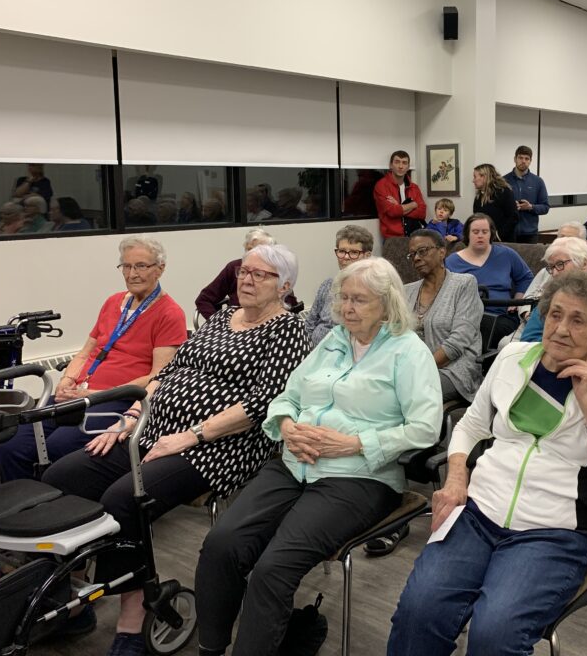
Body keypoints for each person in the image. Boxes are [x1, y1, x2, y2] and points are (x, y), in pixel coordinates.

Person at [43, 244, 309, 656]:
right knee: (63, 476)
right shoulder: (222, 316)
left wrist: (191, 436)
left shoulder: (288, 330)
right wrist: (132, 416)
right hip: (153, 431)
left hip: (218, 447)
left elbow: (264, 403)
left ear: (285, 286)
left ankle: (132, 620)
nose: (246, 280)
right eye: (243, 271)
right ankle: (76, 597)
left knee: (123, 499)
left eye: (260, 274)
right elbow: (169, 371)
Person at [388, 272, 587, 656]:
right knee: (418, 613)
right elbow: (471, 426)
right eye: (555, 314)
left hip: (554, 533)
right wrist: (457, 477)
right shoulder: (512, 358)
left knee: (495, 634)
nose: (561, 329)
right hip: (477, 516)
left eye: (577, 320)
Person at [194, 257, 441, 656]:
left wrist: (355, 443)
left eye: (358, 300)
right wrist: (287, 426)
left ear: (387, 303)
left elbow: (426, 427)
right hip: (295, 463)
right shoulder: (334, 341)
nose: (346, 308)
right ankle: (211, 647)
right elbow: (287, 397)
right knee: (222, 544)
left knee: (274, 568)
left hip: (358, 476)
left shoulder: (408, 351)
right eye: (343, 298)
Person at [0, 235, 188, 481]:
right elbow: (86, 352)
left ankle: (54, 501)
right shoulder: (112, 302)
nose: (132, 274)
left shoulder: (170, 313)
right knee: (12, 444)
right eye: (126, 266)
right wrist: (67, 381)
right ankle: (20, 501)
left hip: (118, 400)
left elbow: (158, 376)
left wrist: (95, 393)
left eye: (141, 266)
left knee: (58, 447)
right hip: (79, 395)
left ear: (160, 269)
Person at [405, 230, 483, 404]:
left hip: (454, 369)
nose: (416, 258)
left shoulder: (464, 284)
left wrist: (420, 369)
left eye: (422, 251)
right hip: (412, 368)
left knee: (409, 392)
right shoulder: (407, 291)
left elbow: (458, 341)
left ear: (442, 252)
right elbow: (395, 335)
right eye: (412, 254)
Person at [520, 237, 587, 360]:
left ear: (584, 263)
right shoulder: (552, 295)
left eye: (560, 264)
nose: (554, 273)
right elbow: (528, 337)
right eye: (551, 267)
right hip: (546, 362)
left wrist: (555, 345)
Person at [445, 213, 534, 346]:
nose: (480, 235)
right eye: (475, 232)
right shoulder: (451, 261)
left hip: (501, 315)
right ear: (467, 234)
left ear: (491, 234)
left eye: (485, 232)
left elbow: (526, 277)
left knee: (491, 329)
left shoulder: (506, 254)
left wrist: (518, 299)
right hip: (465, 315)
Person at [304, 225, 373, 347]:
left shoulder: (372, 290)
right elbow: (309, 324)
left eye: (353, 252)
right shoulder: (327, 285)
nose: (345, 257)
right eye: (341, 251)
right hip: (313, 351)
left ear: (367, 256)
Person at [196, 228, 279, 321]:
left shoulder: (277, 271)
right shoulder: (234, 267)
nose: (252, 254)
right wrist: (219, 323)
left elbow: (288, 302)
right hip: (235, 324)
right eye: (249, 249)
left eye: (259, 250)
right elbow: (204, 299)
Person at [374, 150, 427, 239]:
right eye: (397, 162)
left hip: (415, 237)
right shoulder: (382, 185)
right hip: (393, 238)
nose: (401, 166)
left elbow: (422, 213)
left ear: (408, 167)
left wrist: (398, 206)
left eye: (404, 163)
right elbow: (392, 212)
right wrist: (413, 205)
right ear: (391, 165)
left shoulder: (414, 187)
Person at [504, 145, 549, 243]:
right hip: (508, 233)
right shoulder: (504, 181)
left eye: (526, 158)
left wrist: (530, 207)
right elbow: (498, 207)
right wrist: (511, 206)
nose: (523, 161)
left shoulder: (538, 181)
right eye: (520, 158)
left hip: (530, 234)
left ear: (530, 161)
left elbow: (545, 207)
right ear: (515, 159)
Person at [472, 163, 518, 243]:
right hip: (485, 240)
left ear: (484, 177)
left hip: (504, 241)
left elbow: (513, 217)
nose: (473, 180)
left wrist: (499, 235)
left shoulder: (504, 192)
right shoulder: (479, 197)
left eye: (475, 177)